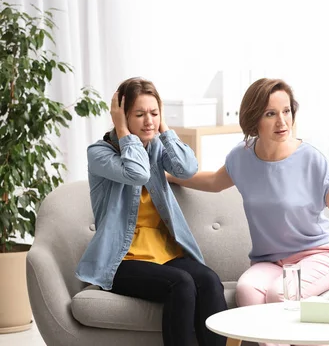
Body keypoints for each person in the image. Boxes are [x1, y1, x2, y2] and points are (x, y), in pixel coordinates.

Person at [169, 78, 329, 324]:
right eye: (270, 114)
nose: (282, 121)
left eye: (286, 111)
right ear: (254, 119)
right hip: (271, 261)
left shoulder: (312, 159)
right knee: (247, 291)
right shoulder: (242, 156)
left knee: (281, 293)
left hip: (321, 255)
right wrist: (167, 176)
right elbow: (213, 182)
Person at [76, 77, 227, 346]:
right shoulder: (99, 154)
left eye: (154, 113)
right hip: (121, 260)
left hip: (165, 255)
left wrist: (164, 128)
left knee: (209, 280)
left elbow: (187, 168)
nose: (149, 121)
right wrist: (123, 131)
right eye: (140, 114)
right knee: (180, 284)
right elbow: (137, 172)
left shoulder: (156, 146)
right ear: (122, 116)